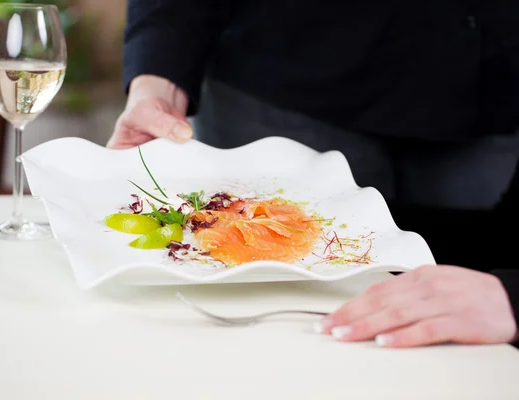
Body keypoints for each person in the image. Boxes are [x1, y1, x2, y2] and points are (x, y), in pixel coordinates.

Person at [107, 1, 519, 347]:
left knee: (449, 320)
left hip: (490, 87)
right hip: (286, 74)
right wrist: (158, 78)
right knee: (259, 312)